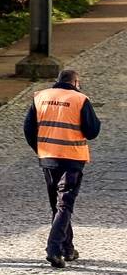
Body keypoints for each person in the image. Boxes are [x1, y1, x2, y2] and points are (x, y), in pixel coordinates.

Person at [24, 68, 102, 267]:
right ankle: (54, 249)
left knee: (57, 205)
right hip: (71, 159)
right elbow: (92, 131)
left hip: (48, 159)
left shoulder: (40, 97)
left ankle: (67, 249)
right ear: (75, 82)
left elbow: (28, 129)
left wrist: (41, 148)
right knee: (64, 204)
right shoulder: (80, 99)